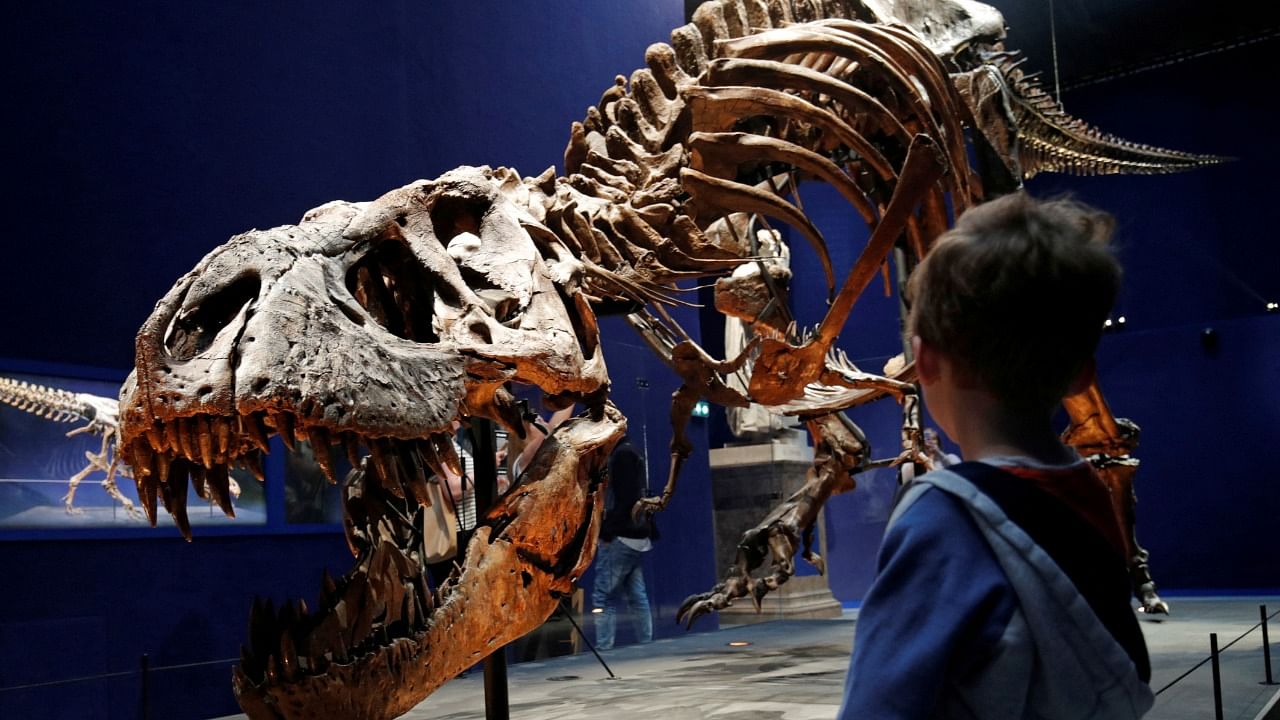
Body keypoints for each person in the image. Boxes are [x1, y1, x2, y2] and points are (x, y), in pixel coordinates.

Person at [837, 193, 1153, 719]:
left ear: (924, 363)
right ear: (1082, 375)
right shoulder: (1091, 495)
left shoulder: (941, 519)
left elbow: (879, 707)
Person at [591, 434, 656, 650]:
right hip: (637, 536)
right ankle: (646, 645)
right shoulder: (632, 451)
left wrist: (607, 531)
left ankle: (604, 648)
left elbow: (625, 498)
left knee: (604, 597)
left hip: (621, 535)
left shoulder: (622, 455)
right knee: (636, 595)